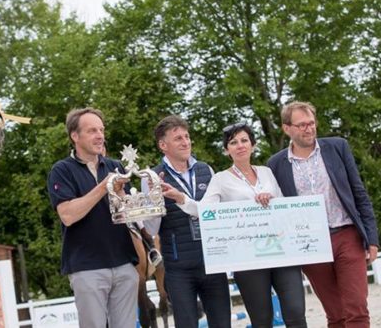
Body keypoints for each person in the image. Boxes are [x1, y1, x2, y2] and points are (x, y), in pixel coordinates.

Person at [169, 122, 307, 328]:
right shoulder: (220, 179)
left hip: (281, 252)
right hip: (248, 258)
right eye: (233, 142)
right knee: (262, 320)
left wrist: (272, 199)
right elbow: (205, 212)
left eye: (244, 140)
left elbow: (284, 208)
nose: (240, 145)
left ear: (253, 145)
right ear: (227, 150)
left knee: (296, 312)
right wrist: (181, 198)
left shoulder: (267, 172)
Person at [268, 101, 379, 327]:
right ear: (286, 128)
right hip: (310, 245)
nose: (308, 129)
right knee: (335, 313)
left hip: (347, 235)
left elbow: (359, 193)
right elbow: (277, 208)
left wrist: (372, 239)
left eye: (311, 123)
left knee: (356, 307)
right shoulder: (276, 164)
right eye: (301, 125)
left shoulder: (338, 147)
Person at [47, 108, 138, 328]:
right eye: (92, 131)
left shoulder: (116, 166)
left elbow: (129, 213)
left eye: (101, 130)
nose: (100, 135)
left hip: (125, 262)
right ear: (75, 136)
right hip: (87, 268)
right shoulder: (61, 170)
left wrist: (140, 198)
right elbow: (68, 215)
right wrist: (104, 186)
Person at [145, 115, 231, 328]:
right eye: (178, 138)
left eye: (187, 136)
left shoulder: (206, 170)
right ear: (163, 145)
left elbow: (218, 214)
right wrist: (156, 199)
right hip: (178, 268)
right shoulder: (152, 178)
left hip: (213, 263)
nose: (185, 142)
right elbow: (151, 228)